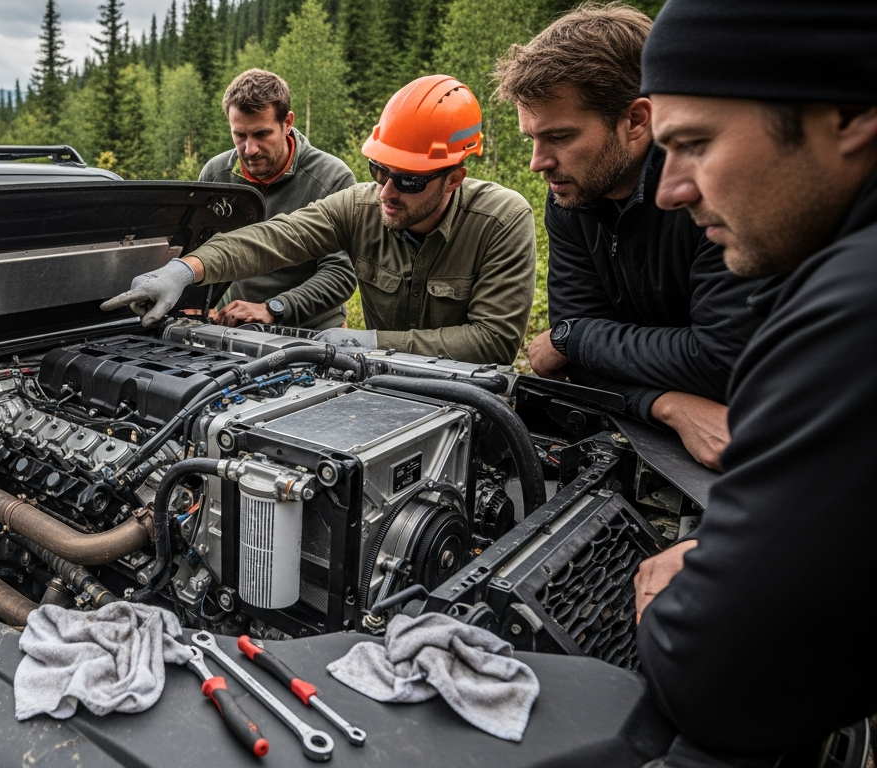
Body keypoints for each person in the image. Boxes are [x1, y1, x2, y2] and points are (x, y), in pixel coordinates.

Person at [629, 0, 877, 764]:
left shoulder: (856, 304)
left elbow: (721, 683)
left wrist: (685, 591)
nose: (668, 190)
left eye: (695, 144)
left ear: (848, 114)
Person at [103, 75, 537, 366]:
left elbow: (493, 342)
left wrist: (364, 342)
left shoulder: (500, 220)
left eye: (406, 180)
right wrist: (185, 269)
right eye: (379, 171)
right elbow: (275, 237)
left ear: (454, 179)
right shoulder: (359, 205)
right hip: (379, 381)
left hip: (464, 396)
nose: (385, 192)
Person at [495, 3, 761, 470]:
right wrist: (667, 404)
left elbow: (722, 363)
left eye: (559, 136)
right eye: (531, 138)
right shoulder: (569, 201)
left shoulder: (707, 193)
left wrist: (576, 336)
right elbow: (572, 368)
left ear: (636, 120)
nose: (538, 162)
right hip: (660, 436)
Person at [199, 69, 358, 330]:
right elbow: (201, 249)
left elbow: (340, 274)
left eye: (262, 134)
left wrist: (274, 308)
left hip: (313, 332)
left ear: (287, 123)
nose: (250, 149)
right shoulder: (216, 174)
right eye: (240, 135)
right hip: (236, 328)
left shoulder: (332, 178)